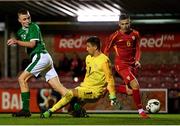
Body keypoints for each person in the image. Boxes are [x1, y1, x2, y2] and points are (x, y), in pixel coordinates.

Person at [7, 9, 68, 117]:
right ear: (19, 20)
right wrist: (14, 40)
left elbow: (32, 44)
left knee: (22, 79)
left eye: (28, 18)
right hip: (44, 58)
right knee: (58, 87)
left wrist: (16, 41)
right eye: (24, 19)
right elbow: (21, 40)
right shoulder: (20, 32)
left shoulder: (34, 27)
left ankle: (25, 110)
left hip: (41, 56)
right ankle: (77, 106)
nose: (27, 21)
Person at [41, 36, 119, 118]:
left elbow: (110, 79)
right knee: (72, 108)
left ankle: (50, 111)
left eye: (88, 46)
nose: (86, 49)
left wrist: (112, 95)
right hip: (84, 88)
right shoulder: (88, 58)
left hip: (95, 91)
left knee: (71, 93)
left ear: (95, 47)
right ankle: (79, 111)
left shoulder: (104, 61)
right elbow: (88, 74)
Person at [104, 14, 149, 119]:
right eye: (122, 24)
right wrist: (106, 63)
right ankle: (141, 111)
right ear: (119, 24)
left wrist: (137, 61)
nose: (125, 26)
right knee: (135, 85)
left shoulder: (136, 34)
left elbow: (138, 49)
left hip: (132, 65)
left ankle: (110, 88)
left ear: (130, 22)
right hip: (121, 65)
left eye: (127, 23)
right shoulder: (114, 36)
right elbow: (106, 49)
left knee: (130, 91)